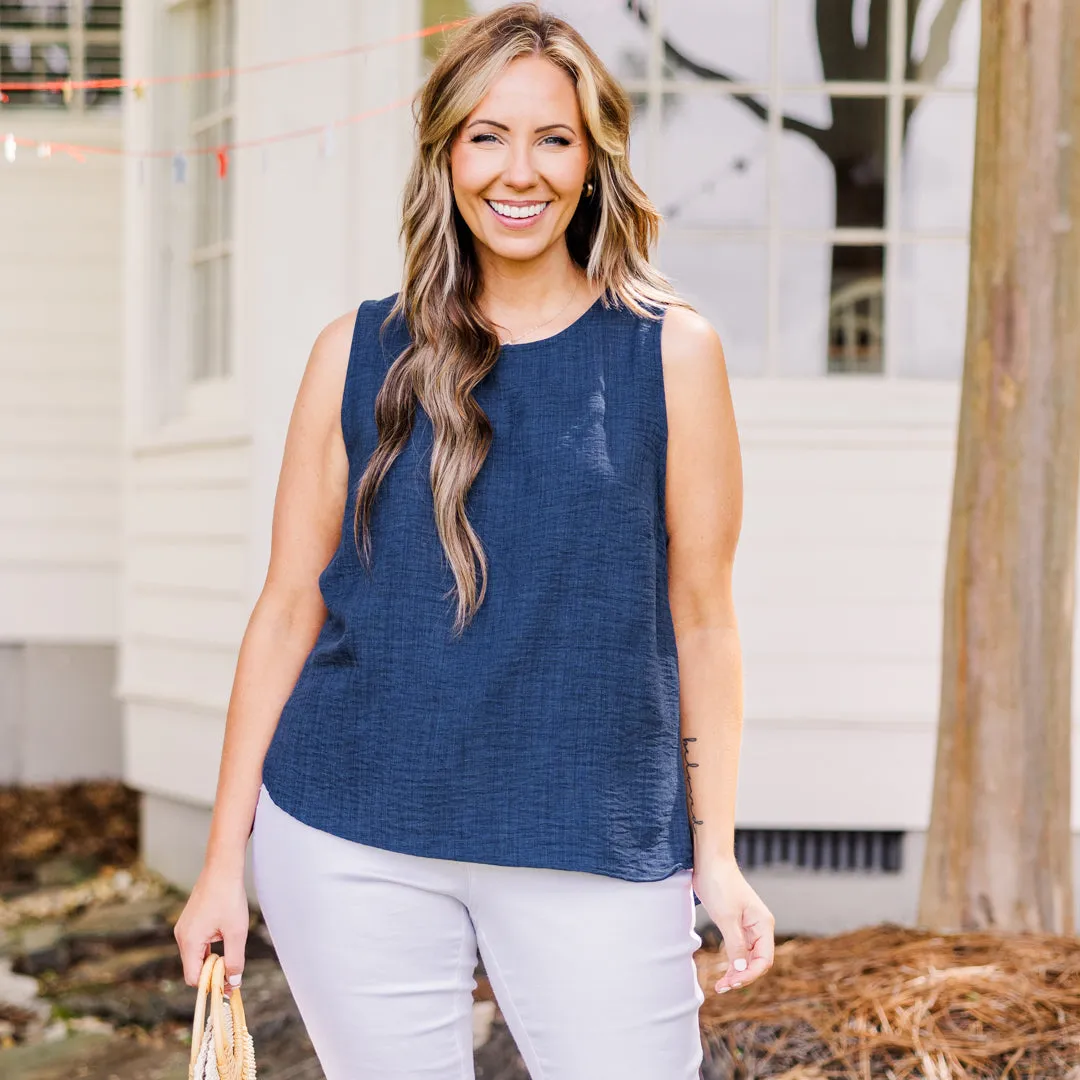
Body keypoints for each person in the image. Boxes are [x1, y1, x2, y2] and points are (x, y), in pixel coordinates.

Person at [173, 4, 775, 1077]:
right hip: (352, 833)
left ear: (594, 163)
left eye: (554, 138)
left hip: (594, 840)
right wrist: (223, 862)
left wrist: (718, 854)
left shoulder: (670, 355)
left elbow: (704, 619)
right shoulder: (356, 353)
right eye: (487, 136)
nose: (520, 170)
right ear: (447, 156)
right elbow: (287, 607)